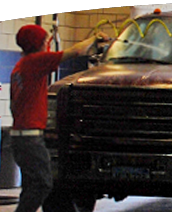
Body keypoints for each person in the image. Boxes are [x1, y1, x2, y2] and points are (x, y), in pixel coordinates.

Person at [9, 24, 105, 212]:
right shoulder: (35, 62)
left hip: (18, 136)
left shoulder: (20, 67)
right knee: (43, 183)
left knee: (30, 185)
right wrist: (94, 38)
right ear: (37, 44)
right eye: (46, 41)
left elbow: (13, 106)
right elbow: (76, 51)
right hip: (30, 138)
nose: (48, 45)